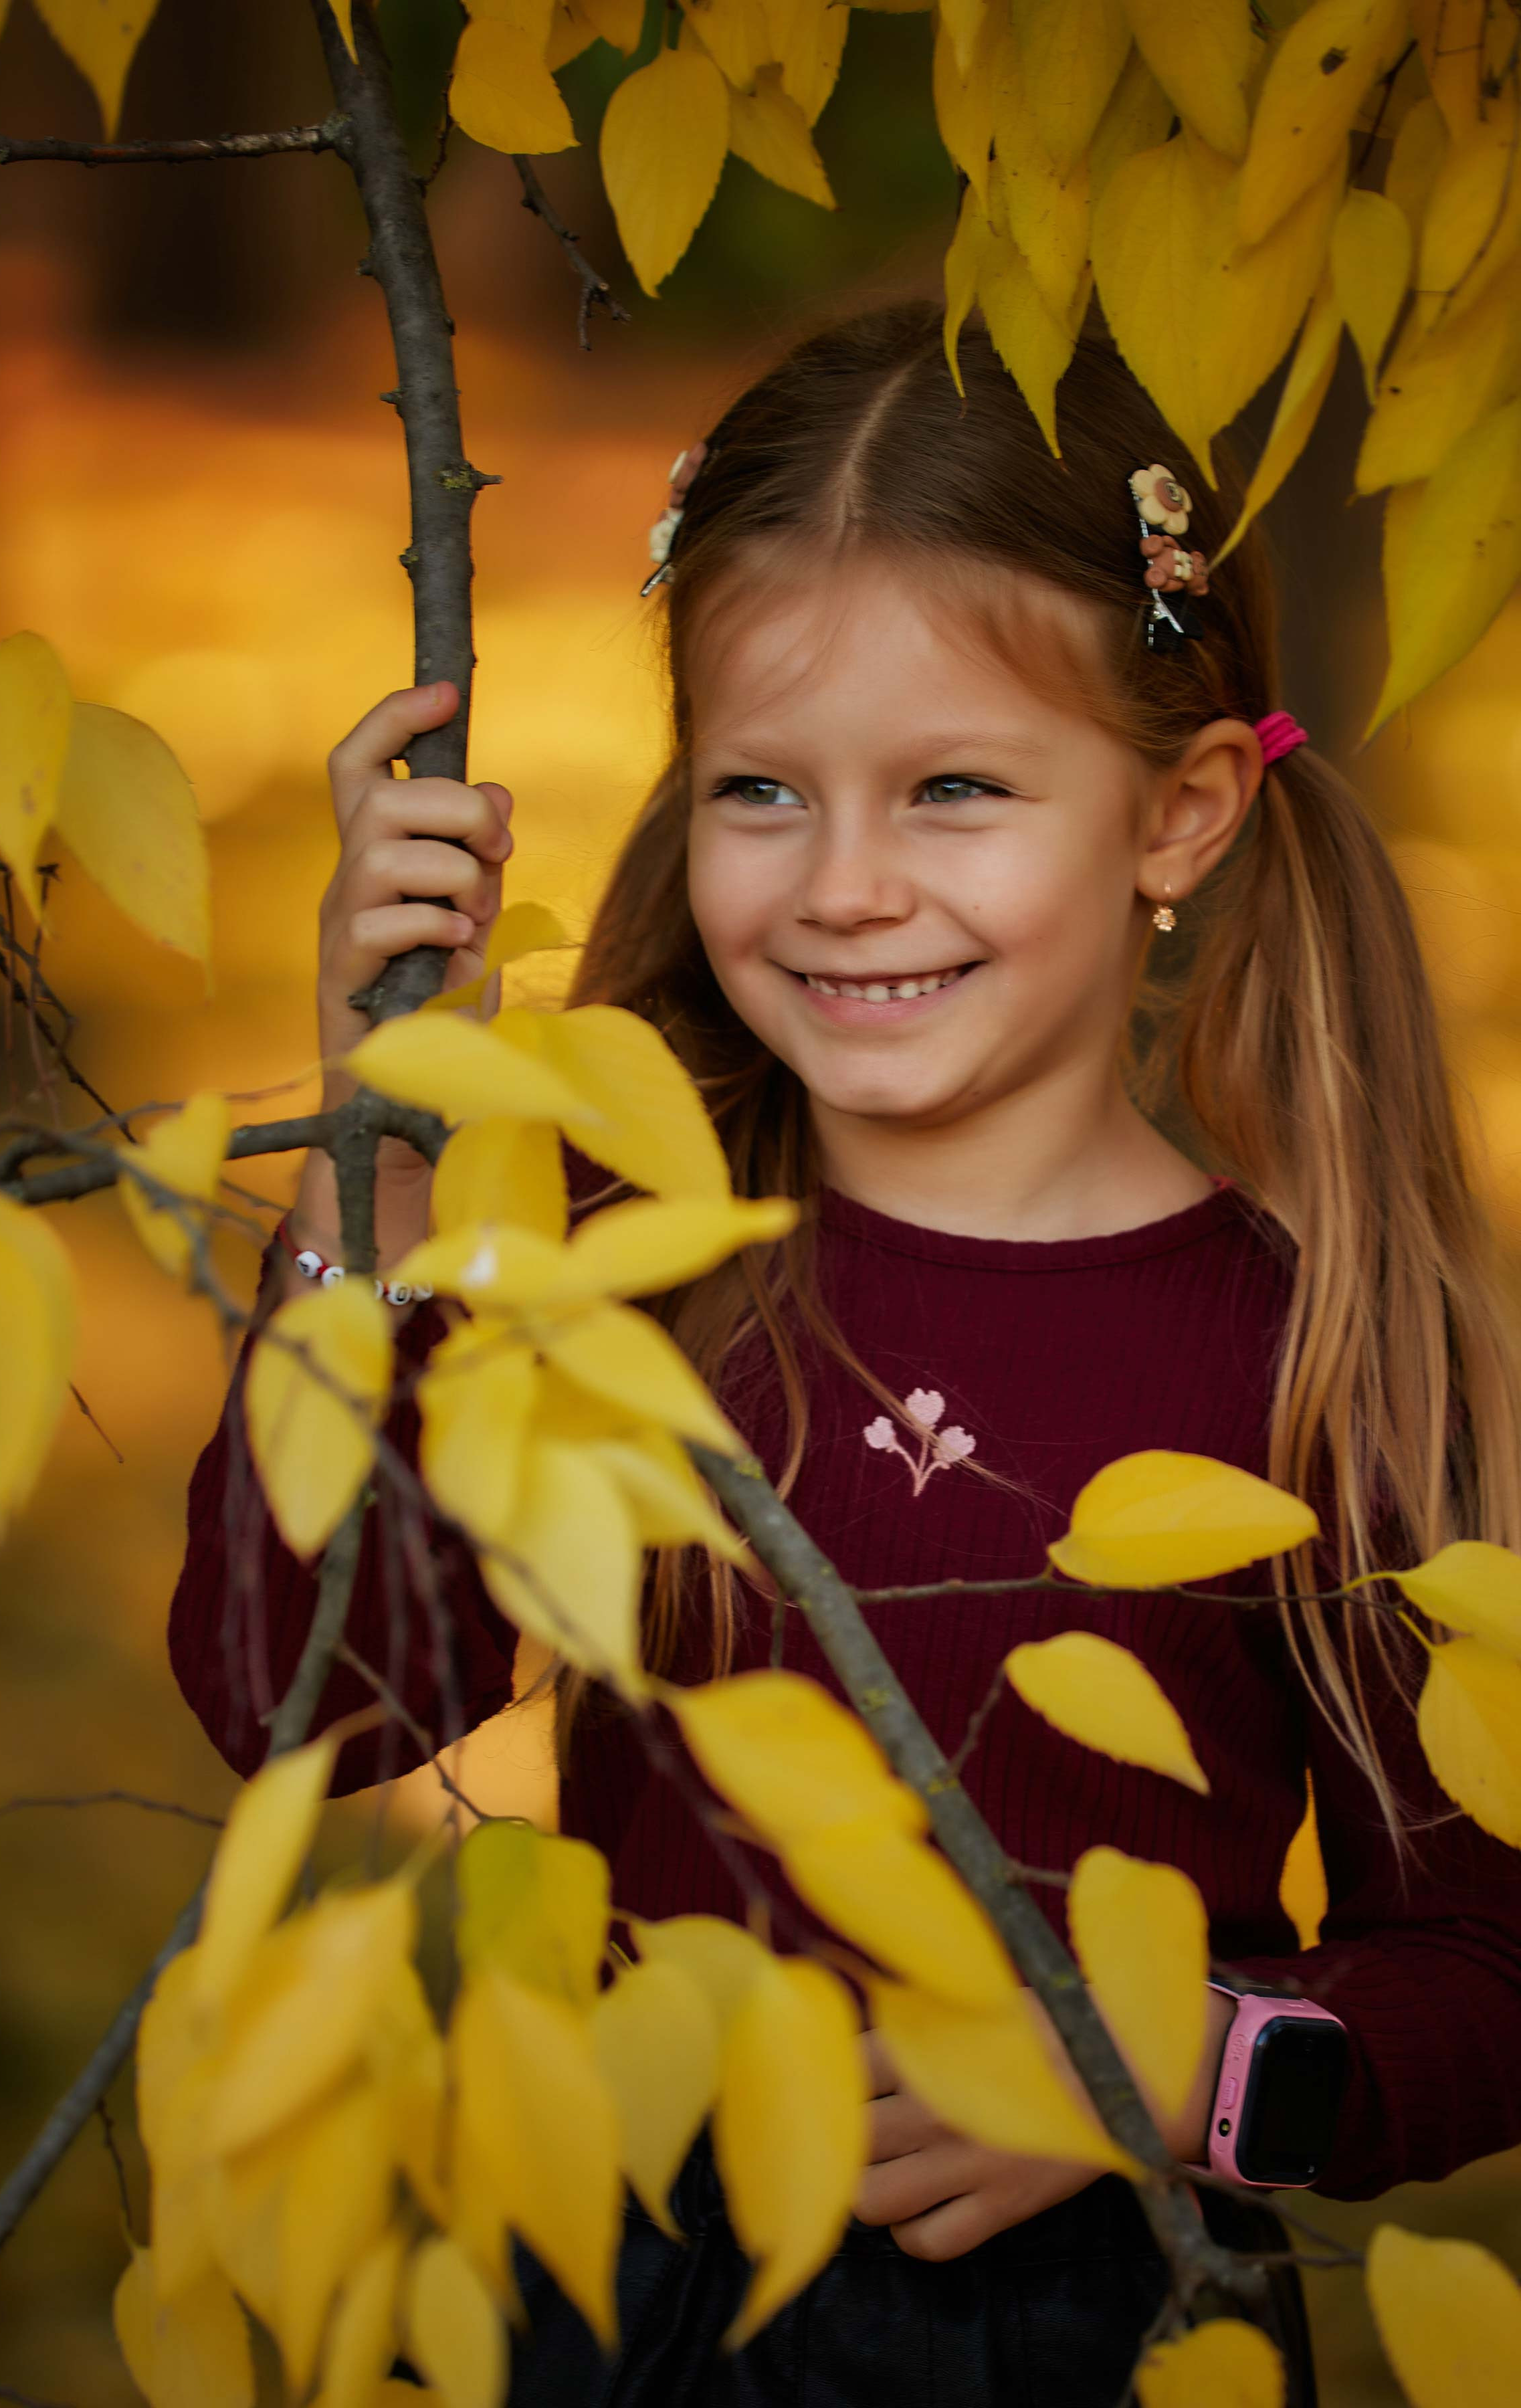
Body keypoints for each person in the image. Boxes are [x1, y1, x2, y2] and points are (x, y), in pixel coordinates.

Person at [169, 302, 1521, 2405]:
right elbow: (309, 1705)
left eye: (958, 787)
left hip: (1078, 2336)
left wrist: (1176, 2072)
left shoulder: (1326, 1351)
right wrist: (387, 1215)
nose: (849, 888)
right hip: (601, 2289)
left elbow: (1491, 1967)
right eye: (765, 792)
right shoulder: (620, 1248)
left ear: (1177, 817)